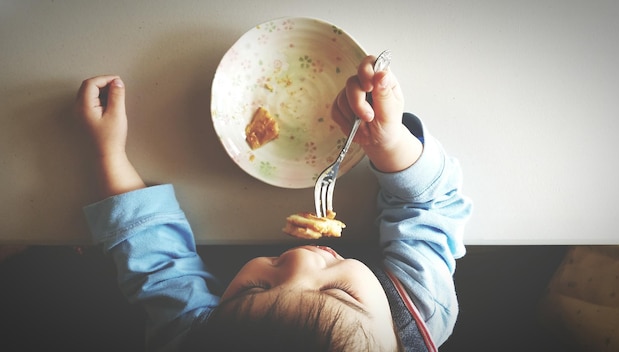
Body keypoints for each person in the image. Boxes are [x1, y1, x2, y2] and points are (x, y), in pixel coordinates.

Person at [75, 55, 472, 352]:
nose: (297, 259)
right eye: (339, 293)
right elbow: (432, 205)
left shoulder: (197, 340)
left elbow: (157, 267)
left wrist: (108, 156)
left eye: (254, 291)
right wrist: (390, 145)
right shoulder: (424, 306)